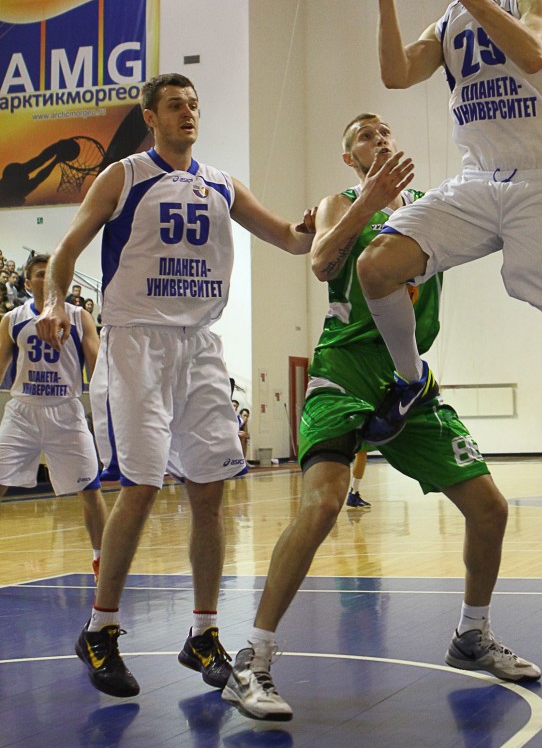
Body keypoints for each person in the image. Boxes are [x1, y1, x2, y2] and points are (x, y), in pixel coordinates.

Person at [222, 114, 539, 721]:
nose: (380, 138)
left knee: (491, 509)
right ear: (351, 157)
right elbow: (320, 262)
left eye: (386, 131)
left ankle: (472, 634)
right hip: (346, 368)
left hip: (409, 377)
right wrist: (367, 203)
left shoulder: (430, 205)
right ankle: (252, 658)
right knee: (323, 504)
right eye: (365, 135)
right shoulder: (340, 201)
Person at [356, 0, 542, 575]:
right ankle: (412, 379)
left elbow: (533, 52)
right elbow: (396, 73)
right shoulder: (448, 19)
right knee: (376, 267)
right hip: (477, 180)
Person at [36, 73, 315, 700]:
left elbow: (291, 240)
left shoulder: (222, 183)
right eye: (174, 105)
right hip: (137, 343)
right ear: (150, 117)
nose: (188, 113)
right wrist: (55, 300)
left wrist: (332, 218)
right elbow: (67, 250)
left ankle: (204, 633)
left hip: (201, 344)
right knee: (140, 487)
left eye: (193, 104)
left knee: (210, 492)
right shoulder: (125, 176)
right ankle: (99, 629)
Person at [0, 253, 106, 578]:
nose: (46, 278)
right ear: (27, 283)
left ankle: (102, 561)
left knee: (91, 490)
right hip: (23, 412)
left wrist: (106, 408)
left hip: (66, 411)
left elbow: (97, 366)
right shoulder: (12, 319)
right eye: (40, 274)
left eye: (52, 273)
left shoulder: (79, 316)